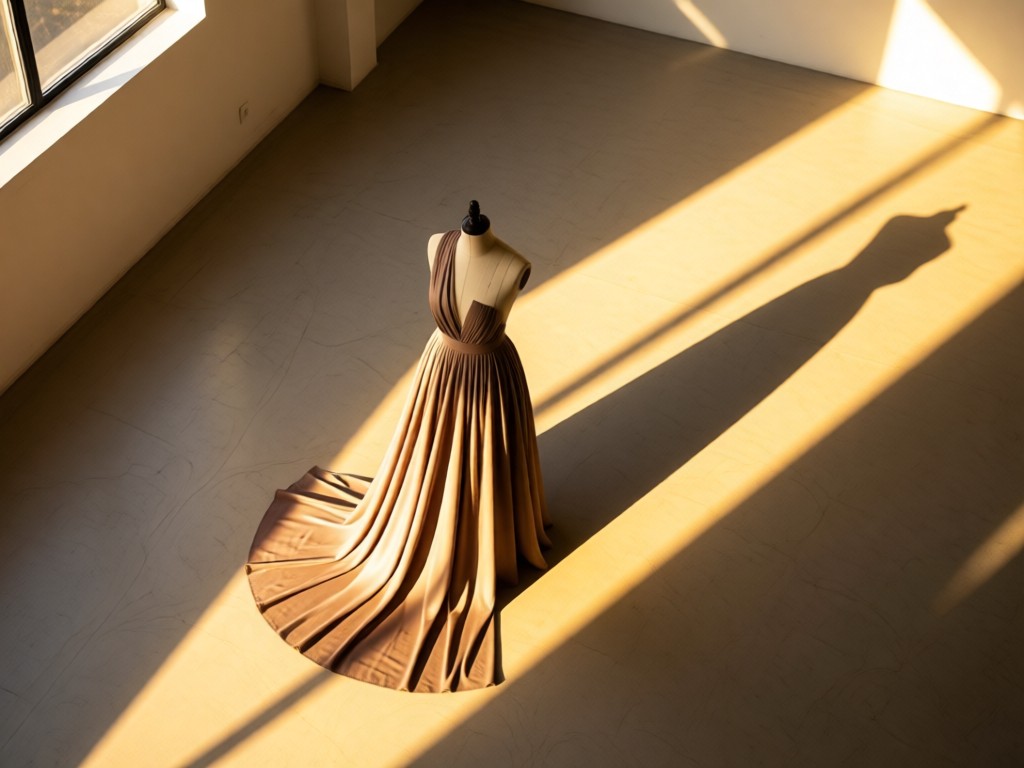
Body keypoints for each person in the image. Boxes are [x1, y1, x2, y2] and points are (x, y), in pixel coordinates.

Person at [246, 202, 551, 692]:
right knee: (433, 461)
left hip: (487, 377)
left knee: (478, 463)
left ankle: (483, 532)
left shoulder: (512, 265)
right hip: (440, 372)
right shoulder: (439, 244)